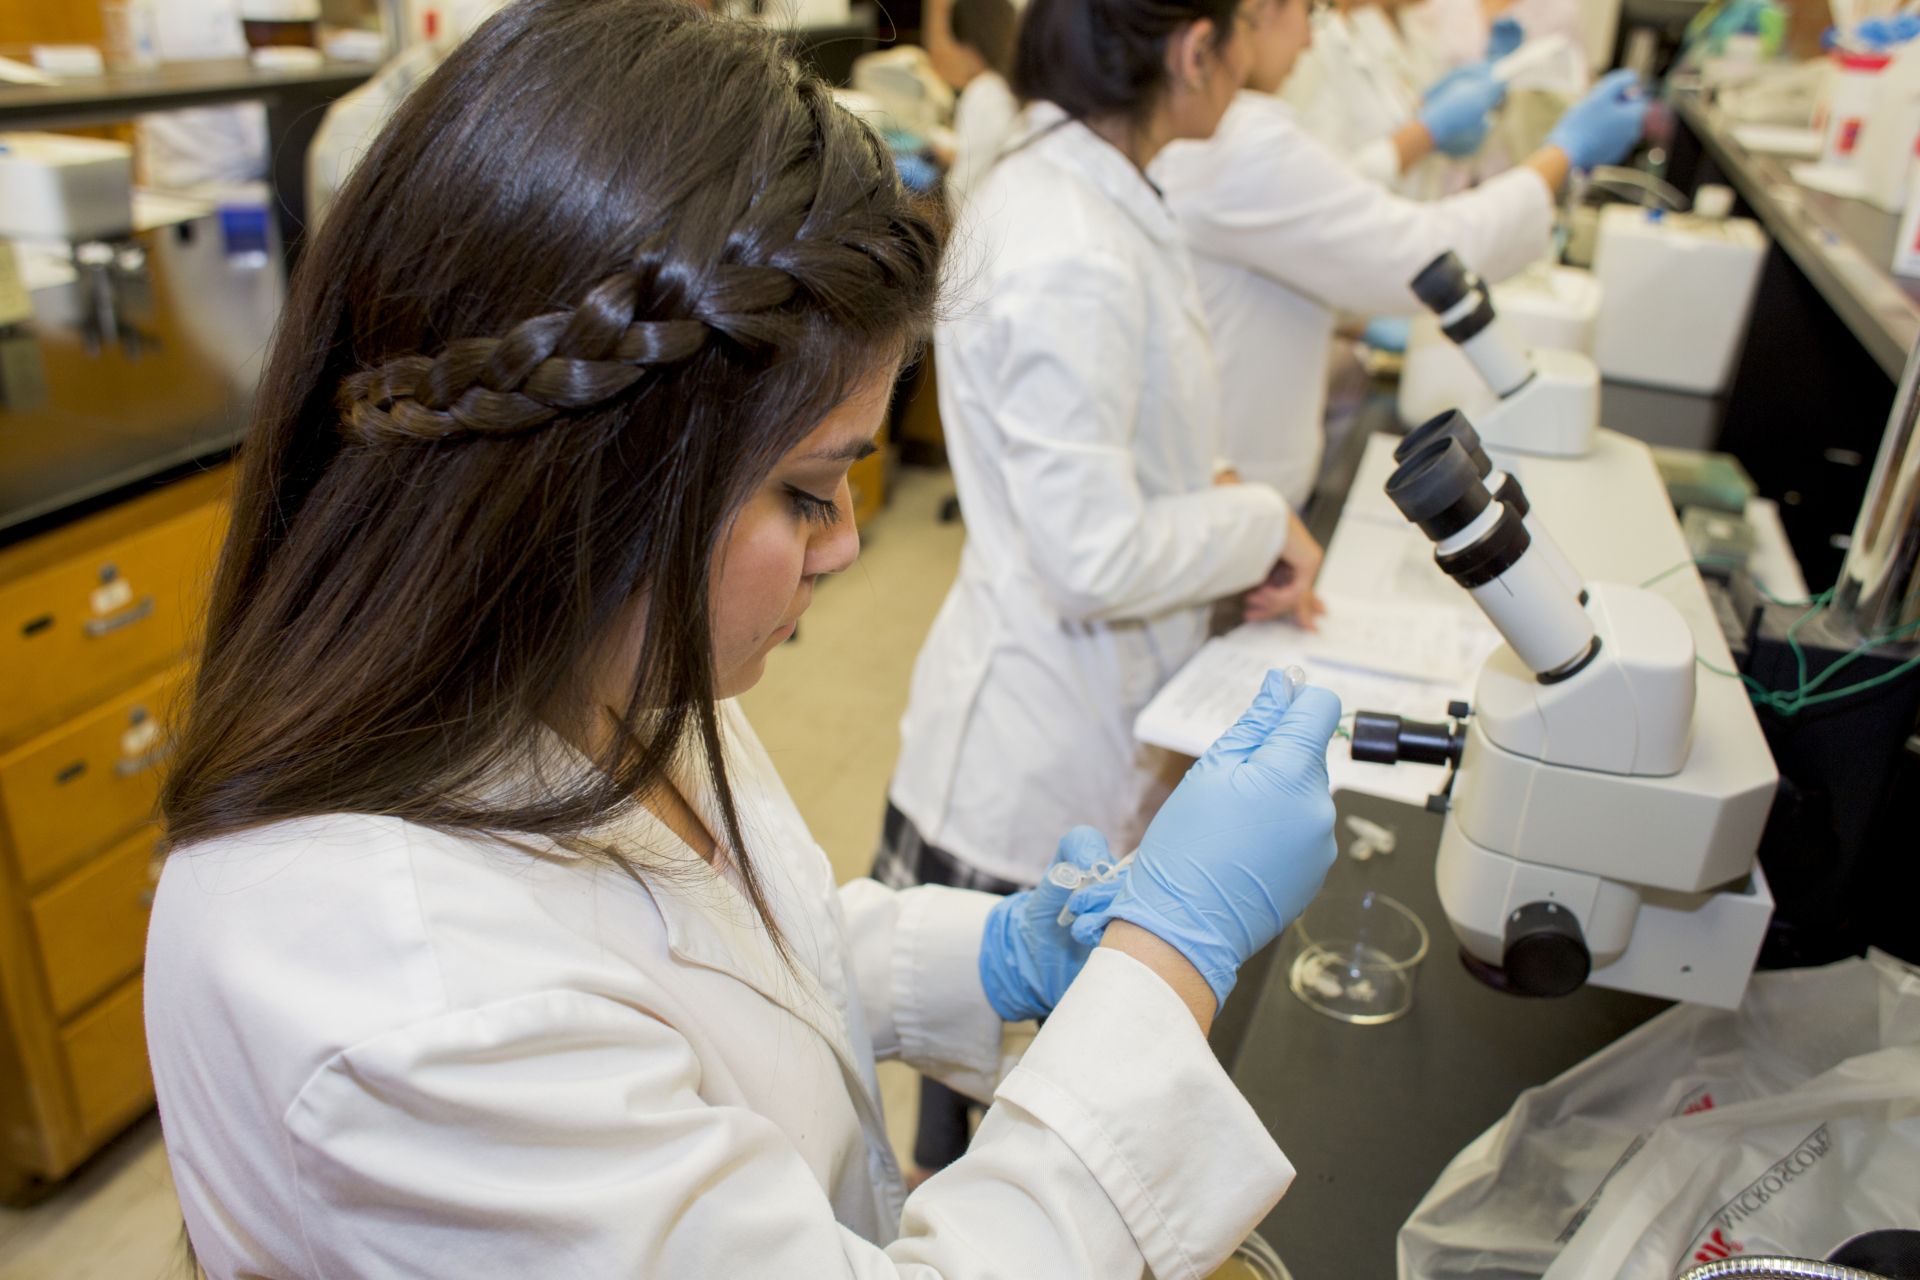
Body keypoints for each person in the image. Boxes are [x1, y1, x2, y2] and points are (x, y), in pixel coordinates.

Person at [143, 1, 1345, 1275]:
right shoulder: (404, 995)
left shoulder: (586, 655)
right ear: (597, 475)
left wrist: (987, 955)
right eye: (810, 490)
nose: (844, 547)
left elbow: (731, 960)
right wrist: (1168, 962)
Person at [882, 0, 1325, 1180]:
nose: (1301, 42)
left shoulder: (1091, 185)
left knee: (992, 1108)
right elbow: (1090, 556)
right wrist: (1254, 519)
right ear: (1195, 48)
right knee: (1009, 1134)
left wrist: (1209, 480)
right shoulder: (1069, 240)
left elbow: (1111, 444)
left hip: (1077, 699)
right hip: (1031, 750)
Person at [1150, 0, 1647, 507]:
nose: (1307, 36)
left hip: (1246, 461)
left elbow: (1326, 204)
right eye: (1303, 10)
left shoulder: (1239, 132)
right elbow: (1425, 253)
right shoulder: (1234, 141)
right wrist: (1563, 153)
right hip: (1231, 480)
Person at [923, 0, 1021, 210]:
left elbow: (961, 190)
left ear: (968, 43)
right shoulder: (1021, 88)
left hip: (985, 226)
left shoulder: (985, 91)